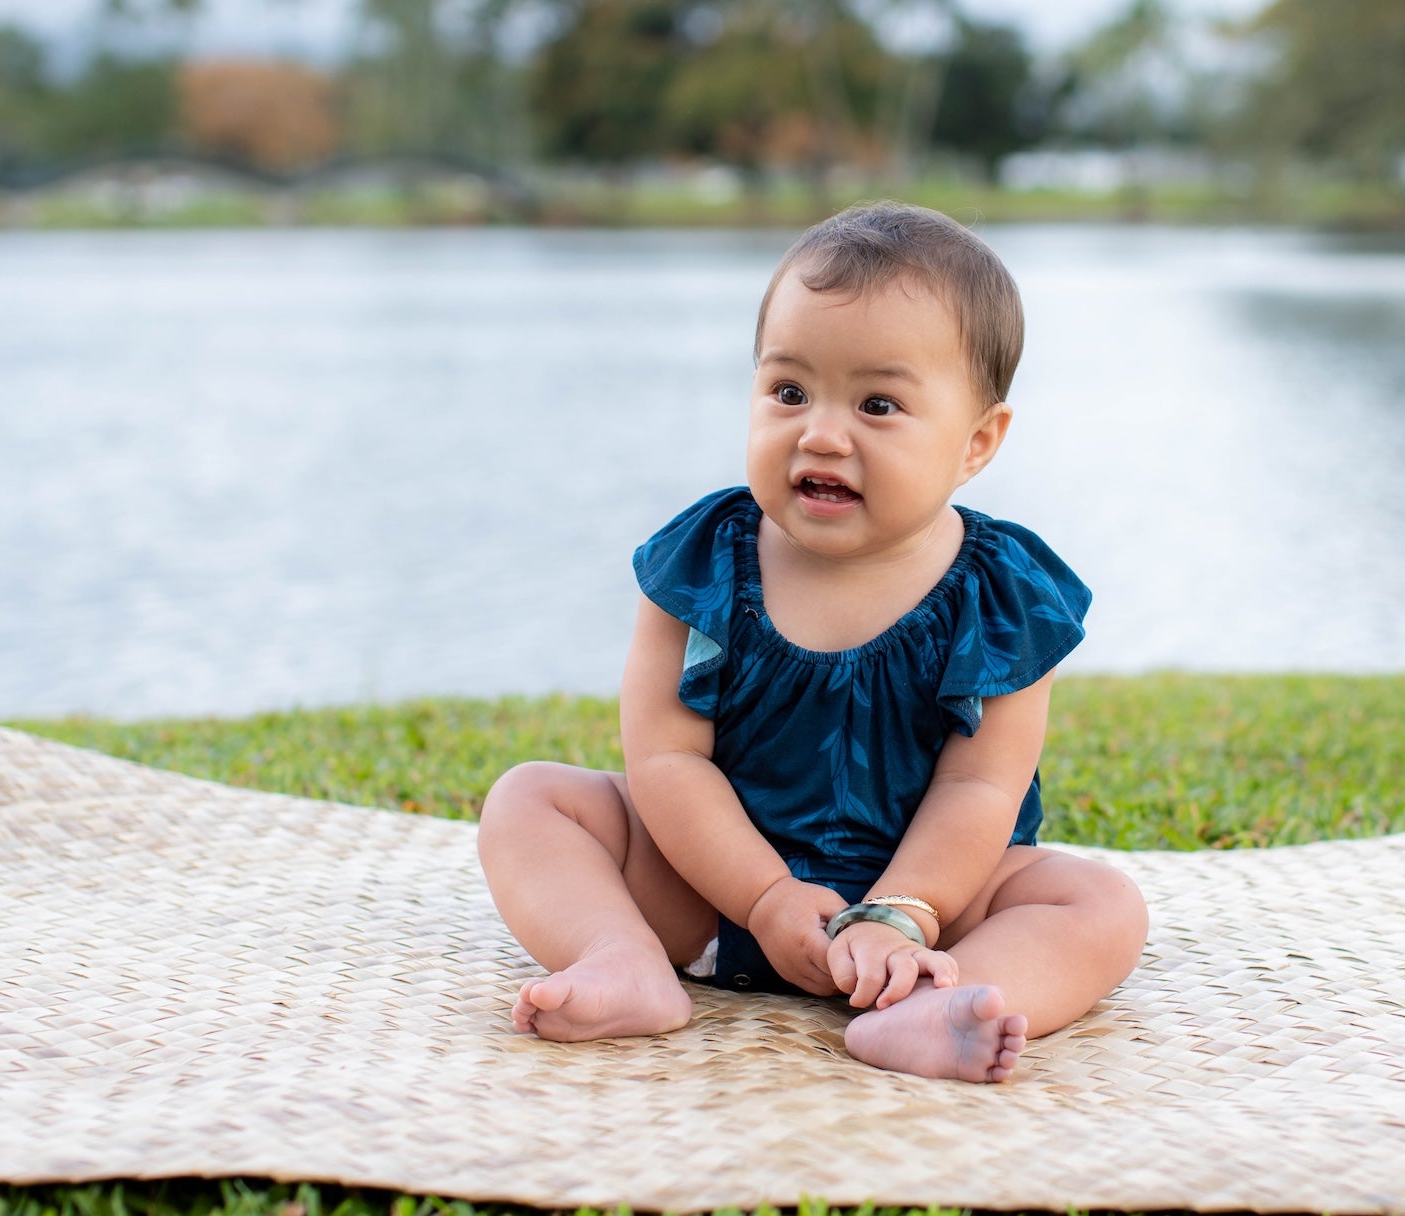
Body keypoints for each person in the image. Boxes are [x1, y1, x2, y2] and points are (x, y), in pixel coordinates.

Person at [477, 202, 1148, 1083]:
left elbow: (983, 784)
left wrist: (903, 913)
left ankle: (937, 1004)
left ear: (977, 442)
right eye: (788, 391)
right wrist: (763, 897)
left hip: (932, 916)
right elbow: (666, 762)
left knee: (1098, 904)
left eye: (878, 404)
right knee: (533, 801)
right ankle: (622, 956)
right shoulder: (705, 563)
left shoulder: (1002, 593)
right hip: (711, 892)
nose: (821, 433)